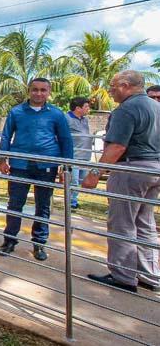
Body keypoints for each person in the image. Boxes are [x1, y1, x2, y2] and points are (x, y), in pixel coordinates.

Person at [84, 71, 160, 292]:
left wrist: (94, 174)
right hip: (154, 169)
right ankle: (149, 275)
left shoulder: (126, 109)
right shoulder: (156, 107)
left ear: (125, 86)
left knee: (122, 223)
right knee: (144, 223)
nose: (110, 91)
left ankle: (123, 276)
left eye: (113, 86)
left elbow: (116, 147)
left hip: (131, 169)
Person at [0, 78, 73, 262]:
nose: (39, 93)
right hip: (19, 164)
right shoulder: (16, 112)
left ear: (49, 92)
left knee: (43, 206)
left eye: (43, 90)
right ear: (29, 91)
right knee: (15, 204)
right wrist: (2, 159)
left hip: (46, 166)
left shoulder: (56, 114)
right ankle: (9, 240)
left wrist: (66, 167)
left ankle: (39, 243)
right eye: (35, 90)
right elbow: (7, 135)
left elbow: (65, 140)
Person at [66, 97, 92, 209]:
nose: (88, 109)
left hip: (85, 156)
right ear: (78, 108)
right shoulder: (66, 118)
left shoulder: (85, 120)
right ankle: (71, 203)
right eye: (86, 106)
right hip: (74, 156)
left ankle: (73, 200)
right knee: (74, 181)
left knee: (81, 181)